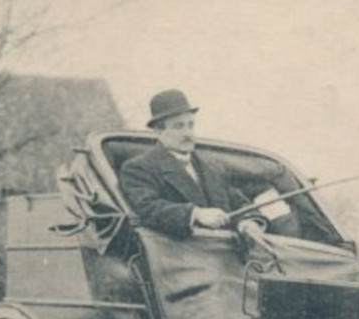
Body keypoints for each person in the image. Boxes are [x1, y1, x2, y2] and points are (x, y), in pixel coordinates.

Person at [119, 89, 302, 242]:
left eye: (191, 125)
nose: (188, 133)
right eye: (178, 126)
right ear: (159, 132)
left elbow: (236, 202)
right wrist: (195, 213)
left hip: (225, 254)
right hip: (183, 257)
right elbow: (148, 209)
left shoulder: (211, 167)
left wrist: (247, 222)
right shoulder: (138, 168)